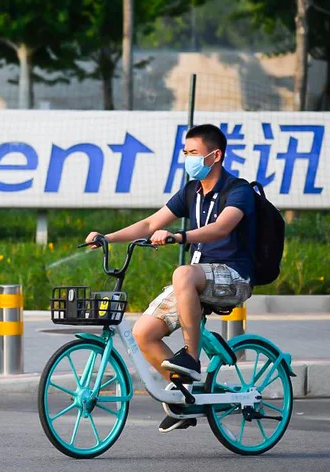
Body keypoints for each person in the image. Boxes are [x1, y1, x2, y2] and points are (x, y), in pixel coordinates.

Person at [84, 124, 256, 433]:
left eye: (194, 153)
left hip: (234, 276)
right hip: (197, 276)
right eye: (185, 152)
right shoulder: (191, 191)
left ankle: (191, 356)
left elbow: (222, 228)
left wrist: (180, 236)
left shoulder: (238, 190)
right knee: (143, 333)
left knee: (182, 273)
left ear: (215, 156)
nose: (188, 158)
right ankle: (185, 398)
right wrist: (107, 237)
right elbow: (151, 223)